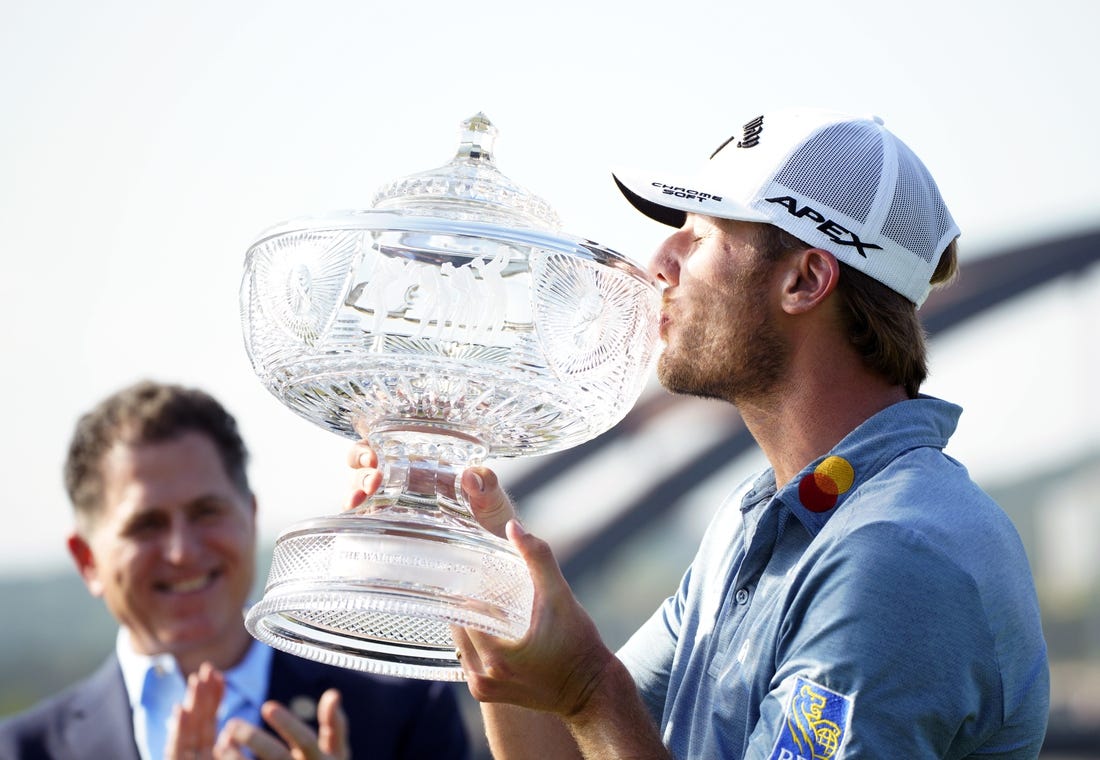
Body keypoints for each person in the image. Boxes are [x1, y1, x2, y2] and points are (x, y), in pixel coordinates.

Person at [348, 107, 1051, 758]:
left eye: (703, 232)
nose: (661, 260)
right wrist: (481, 557)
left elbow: (594, 709)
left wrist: (590, 687)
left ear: (805, 280)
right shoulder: (753, 525)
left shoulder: (897, 556)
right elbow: (574, 745)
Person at [0, 380, 471, 760]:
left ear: (250, 516)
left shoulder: (406, 707)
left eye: (206, 512)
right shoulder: (22, 749)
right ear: (87, 560)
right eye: (146, 525)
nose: (182, 552)